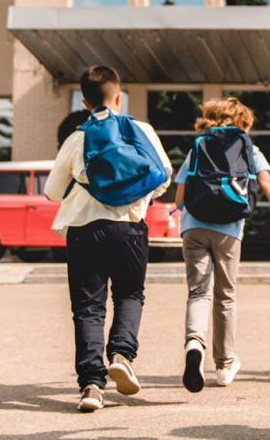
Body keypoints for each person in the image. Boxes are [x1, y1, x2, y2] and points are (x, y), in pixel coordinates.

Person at [44, 65, 172, 412]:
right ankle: (121, 354)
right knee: (130, 294)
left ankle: (91, 386)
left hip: (84, 231)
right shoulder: (140, 129)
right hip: (130, 228)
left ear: (85, 101)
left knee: (88, 308)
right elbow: (163, 176)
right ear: (119, 97)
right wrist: (134, 196)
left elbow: (51, 192)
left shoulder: (77, 137)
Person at [173, 97, 270, 392]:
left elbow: (179, 197)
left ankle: (194, 343)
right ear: (243, 123)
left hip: (194, 227)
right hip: (229, 229)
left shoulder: (199, 144)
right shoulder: (249, 146)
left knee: (198, 292)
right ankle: (224, 364)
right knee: (226, 296)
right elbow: (265, 182)